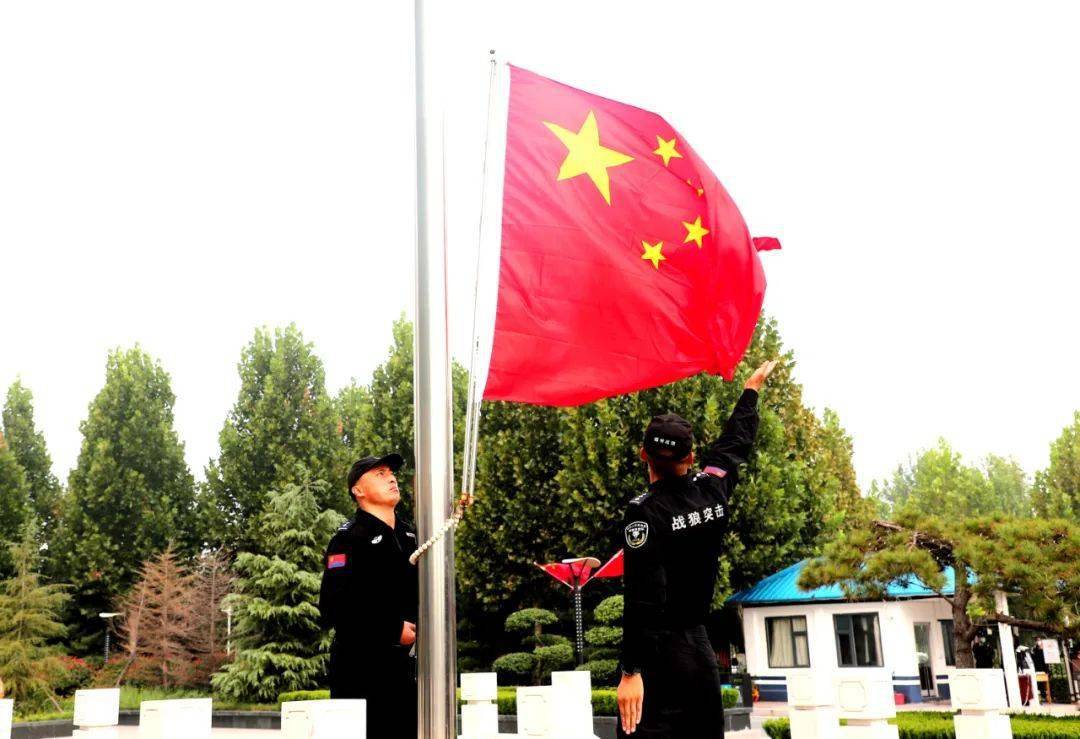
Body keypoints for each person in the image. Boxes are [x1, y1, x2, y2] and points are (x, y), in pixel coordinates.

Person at [617, 360, 778, 738]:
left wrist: (631, 670)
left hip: (657, 659)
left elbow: (644, 596)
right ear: (690, 458)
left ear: (643, 454)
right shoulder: (712, 491)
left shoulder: (643, 512)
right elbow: (734, 446)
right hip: (699, 652)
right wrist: (750, 392)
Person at [319, 453, 419, 739]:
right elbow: (333, 606)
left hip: (405, 669)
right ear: (358, 490)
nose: (391, 478)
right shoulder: (347, 540)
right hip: (360, 670)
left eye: (391, 473)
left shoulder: (410, 535)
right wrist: (391, 629)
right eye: (380, 474)